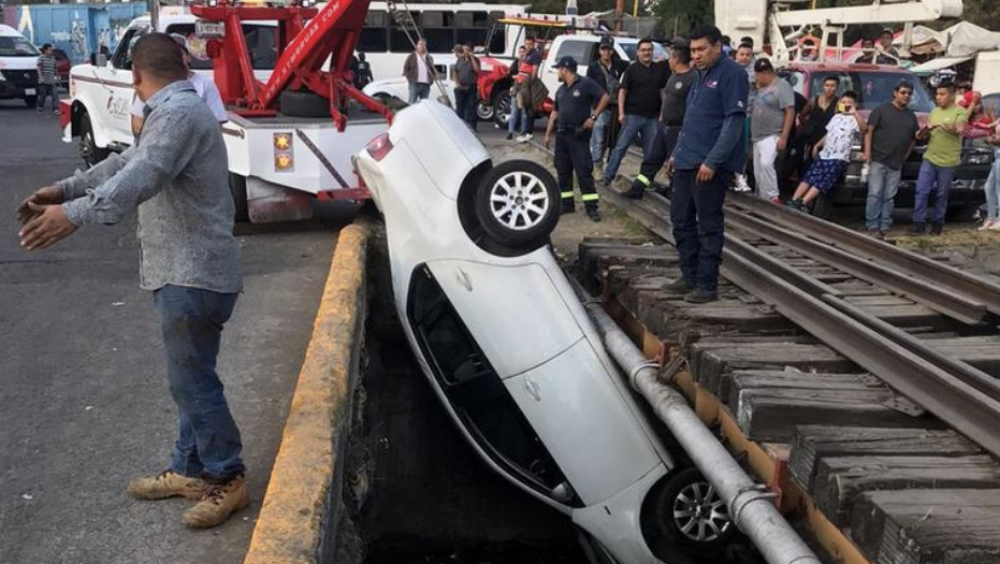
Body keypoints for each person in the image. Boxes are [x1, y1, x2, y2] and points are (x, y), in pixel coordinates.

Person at [15, 33, 246, 528]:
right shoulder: (174, 112)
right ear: (182, 69)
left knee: (193, 381)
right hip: (186, 269)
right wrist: (66, 187)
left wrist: (73, 214)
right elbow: (130, 162)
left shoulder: (179, 115)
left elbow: (145, 175)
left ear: (136, 76)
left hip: (194, 270)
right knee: (190, 378)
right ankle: (189, 468)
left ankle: (227, 476)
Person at [666, 24, 750, 304]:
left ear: (717, 47)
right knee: (681, 220)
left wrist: (713, 161)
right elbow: (691, 120)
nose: (696, 55)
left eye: (701, 49)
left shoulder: (732, 74)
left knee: (708, 225)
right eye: (692, 51)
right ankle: (688, 275)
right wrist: (676, 153)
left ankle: (706, 283)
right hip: (688, 159)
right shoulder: (700, 76)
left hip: (709, 165)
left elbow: (733, 122)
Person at [544, 56, 610, 222]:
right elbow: (555, 112)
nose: (557, 72)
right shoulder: (560, 90)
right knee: (563, 171)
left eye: (558, 69)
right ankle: (567, 204)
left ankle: (591, 207)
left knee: (583, 172)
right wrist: (548, 133)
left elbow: (605, 97)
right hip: (562, 135)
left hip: (578, 135)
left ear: (565, 69)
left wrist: (593, 117)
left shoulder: (585, 84)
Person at [627, 38, 695, 199]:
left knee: (674, 163)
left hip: (677, 129)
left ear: (677, 59)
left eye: (671, 57)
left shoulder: (692, 79)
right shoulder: (673, 76)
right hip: (663, 125)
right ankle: (638, 188)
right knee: (652, 158)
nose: (668, 60)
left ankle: (675, 192)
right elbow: (666, 98)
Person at [130, 33, 227, 136]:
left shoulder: (205, 84)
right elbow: (137, 123)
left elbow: (217, 123)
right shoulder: (152, 84)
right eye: (170, 55)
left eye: (181, 54)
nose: (177, 58)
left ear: (189, 57)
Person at [602, 38, 669, 185]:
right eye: (643, 50)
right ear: (638, 52)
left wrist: (663, 114)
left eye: (649, 50)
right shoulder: (631, 70)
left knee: (650, 153)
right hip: (632, 116)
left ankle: (645, 181)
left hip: (652, 118)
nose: (647, 53)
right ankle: (608, 176)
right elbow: (622, 92)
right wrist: (621, 113)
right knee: (620, 148)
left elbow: (662, 92)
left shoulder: (658, 70)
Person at [786, 91, 866, 211]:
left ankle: (803, 202)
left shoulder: (854, 119)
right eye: (844, 102)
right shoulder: (836, 117)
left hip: (839, 156)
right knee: (810, 176)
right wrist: (818, 145)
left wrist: (854, 113)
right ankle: (794, 199)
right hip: (825, 153)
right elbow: (829, 133)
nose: (846, 105)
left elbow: (864, 128)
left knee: (822, 180)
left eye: (850, 103)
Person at [864, 81, 919, 237]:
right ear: (895, 93)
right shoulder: (881, 110)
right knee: (875, 193)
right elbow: (870, 131)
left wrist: (905, 156)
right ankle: (872, 225)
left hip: (897, 162)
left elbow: (913, 139)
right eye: (903, 92)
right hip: (878, 159)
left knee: (889, 196)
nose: (906, 96)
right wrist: (867, 152)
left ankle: (885, 225)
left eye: (909, 93)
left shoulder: (911, 115)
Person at [911, 83, 967, 235]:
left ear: (952, 95)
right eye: (937, 94)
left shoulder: (960, 112)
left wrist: (946, 126)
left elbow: (961, 129)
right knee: (921, 190)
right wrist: (926, 130)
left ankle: (937, 223)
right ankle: (919, 223)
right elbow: (923, 134)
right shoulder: (934, 111)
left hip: (948, 161)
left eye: (942, 94)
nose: (938, 98)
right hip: (930, 157)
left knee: (942, 194)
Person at [750, 58, 795, 203]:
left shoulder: (782, 86)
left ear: (766, 73)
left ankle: (772, 195)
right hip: (757, 135)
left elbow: (790, 111)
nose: (756, 78)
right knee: (758, 172)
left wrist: (784, 136)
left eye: (758, 75)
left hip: (773, 133)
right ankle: (762, 199)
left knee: (766, 163)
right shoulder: (757, 86)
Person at [586, 36, 626, 177]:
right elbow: (588, 87)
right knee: (599, 137)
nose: (606, 52)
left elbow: (632, 67)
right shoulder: (593, 67)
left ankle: (609, 167)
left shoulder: (620, 65)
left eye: (609, 49)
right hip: (599, 108)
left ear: (613, 51)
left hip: (615, 108)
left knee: (614, 138)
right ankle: (597, 166)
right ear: (599, 50)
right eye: (604, 49)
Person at [794, 76, 840, 174]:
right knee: (806, 165)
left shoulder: (838, 104)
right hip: (810, 138)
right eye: (827, 85)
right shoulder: (813, 101)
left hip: (826, 138)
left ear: (837, 88)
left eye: (832, 86)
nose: (829, 88)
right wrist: (807, 126)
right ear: (823, 86)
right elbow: (802, 115)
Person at [516, 36, 543, 142]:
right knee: (526, 109)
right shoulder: (527, 55)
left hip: (528, 85)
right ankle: (526, 132)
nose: (528, 46)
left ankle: (529, 133)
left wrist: (530, 85)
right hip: (522, 84)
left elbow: (534, 72)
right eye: (526, 43)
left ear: (534, 44)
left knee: (529, 110)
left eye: (530, 44)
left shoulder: (535, 55)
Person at [451, 43, 480, 131]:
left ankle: (473, 126)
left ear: (471, 51)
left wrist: (471, 58)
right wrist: (457, 82)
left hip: (471, 86)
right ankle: (460, 126)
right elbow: (455, 71)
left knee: (471, 106)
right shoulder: (460, 60)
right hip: (461, 87)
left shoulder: (476, 59)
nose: (466, 51)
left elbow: (477, 70)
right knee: (460, 107)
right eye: (464, 50)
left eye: (467, 50)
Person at [403, 39, 436, 105]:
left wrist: (432, 79)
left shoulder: (429, 58)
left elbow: (433, 70)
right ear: (416, 46)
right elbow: (406, 69)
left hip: (426, 85)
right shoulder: (411, 57)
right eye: (421, 44)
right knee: (412, 102)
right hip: (415, 84)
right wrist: (410, 80)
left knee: (424, 104)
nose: (422, 46)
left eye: (424, 44)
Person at [981, 122, 1000, 231]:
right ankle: (991, 217)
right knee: (988, 187)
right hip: (997, 155)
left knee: (999, 187)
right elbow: (989, 126)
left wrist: (992, 141)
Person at [506, 45, 526, 140]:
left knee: (524, 113)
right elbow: (509, 75)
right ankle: (510, 132)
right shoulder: (516, 63)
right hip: (516, 89)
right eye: (520, 52)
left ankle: (523, 132)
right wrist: (516, 77)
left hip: (524, 90)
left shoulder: (527, 63)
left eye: (523, 52)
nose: (521, 54)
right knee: (514, 112)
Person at [36, 43, 59, 115]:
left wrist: (57, 76)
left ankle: (55, 109)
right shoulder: (41, 58)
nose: (51, 51)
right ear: (45, 50)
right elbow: (38, 68)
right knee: (42, 96)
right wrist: (40, 77)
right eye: (50, 50)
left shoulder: (53, 59)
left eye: (51, 50)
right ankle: (40, 108)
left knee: (55, 95)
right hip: (44, 81)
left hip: (52, 80)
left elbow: (55, 68)